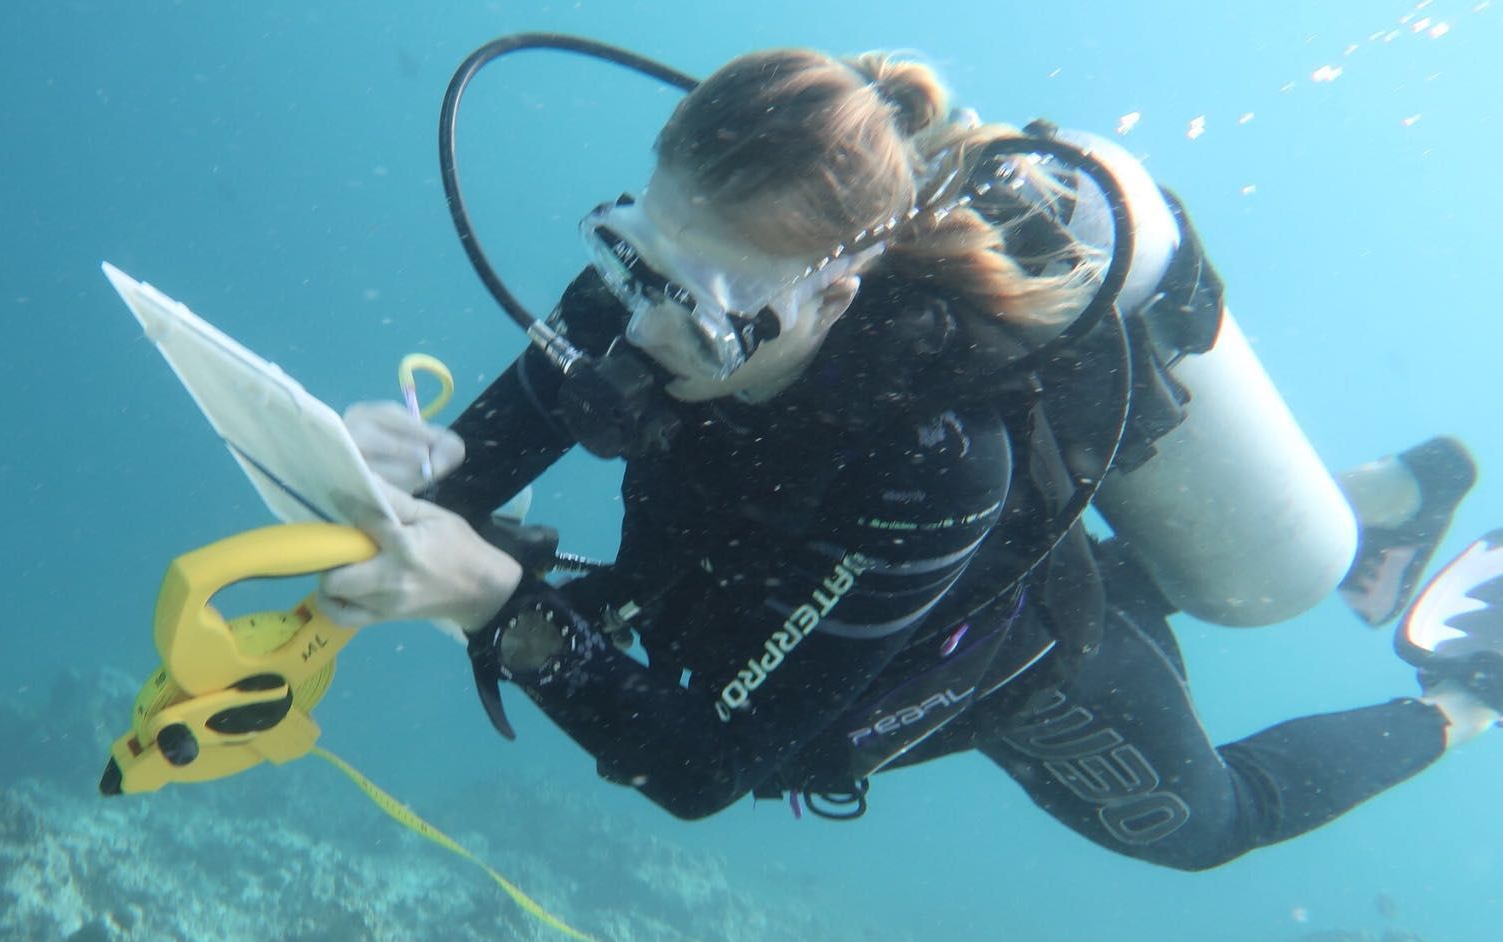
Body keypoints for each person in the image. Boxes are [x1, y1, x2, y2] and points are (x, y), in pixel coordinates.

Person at [317, 47, 1501, 871]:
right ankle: (1397, 500)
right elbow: (468, 479)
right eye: (630, 254)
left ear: (835, 289)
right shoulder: (651, 284)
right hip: (832, 582)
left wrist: (492, 600)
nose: (645, 325)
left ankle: (1462, 698)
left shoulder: (941, 456)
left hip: (1003, 649)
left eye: (703, 301)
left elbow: (705, 765)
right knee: (1174, 573)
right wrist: (427, 462)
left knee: (1206, 828)